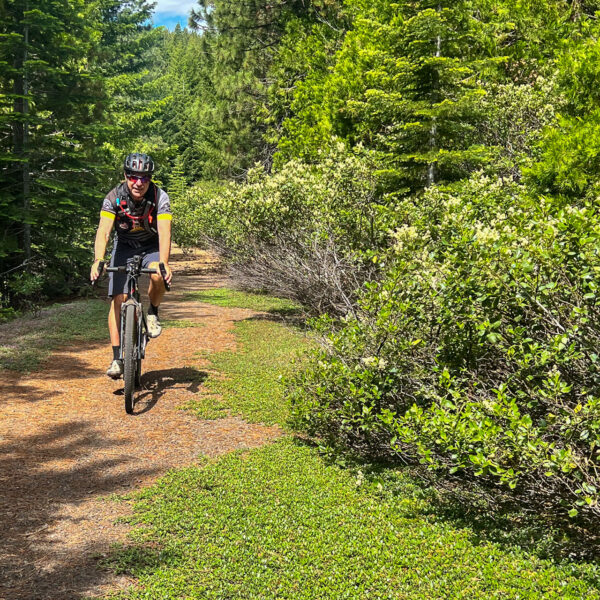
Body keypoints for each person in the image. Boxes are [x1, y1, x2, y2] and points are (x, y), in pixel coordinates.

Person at [90, 152, 173, 379]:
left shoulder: (159, 197)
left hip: (151, 246)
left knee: (157, 275)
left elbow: (165, 232)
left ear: (150, 179)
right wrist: (98, 260)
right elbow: (104, 231)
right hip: (124, 246)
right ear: (126, 175)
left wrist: (164, 263)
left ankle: (153, 312)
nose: (139, 183)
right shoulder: (113, 197)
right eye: (133, 177)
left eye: (144, 178)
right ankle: (117, 358)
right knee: (119, 298)